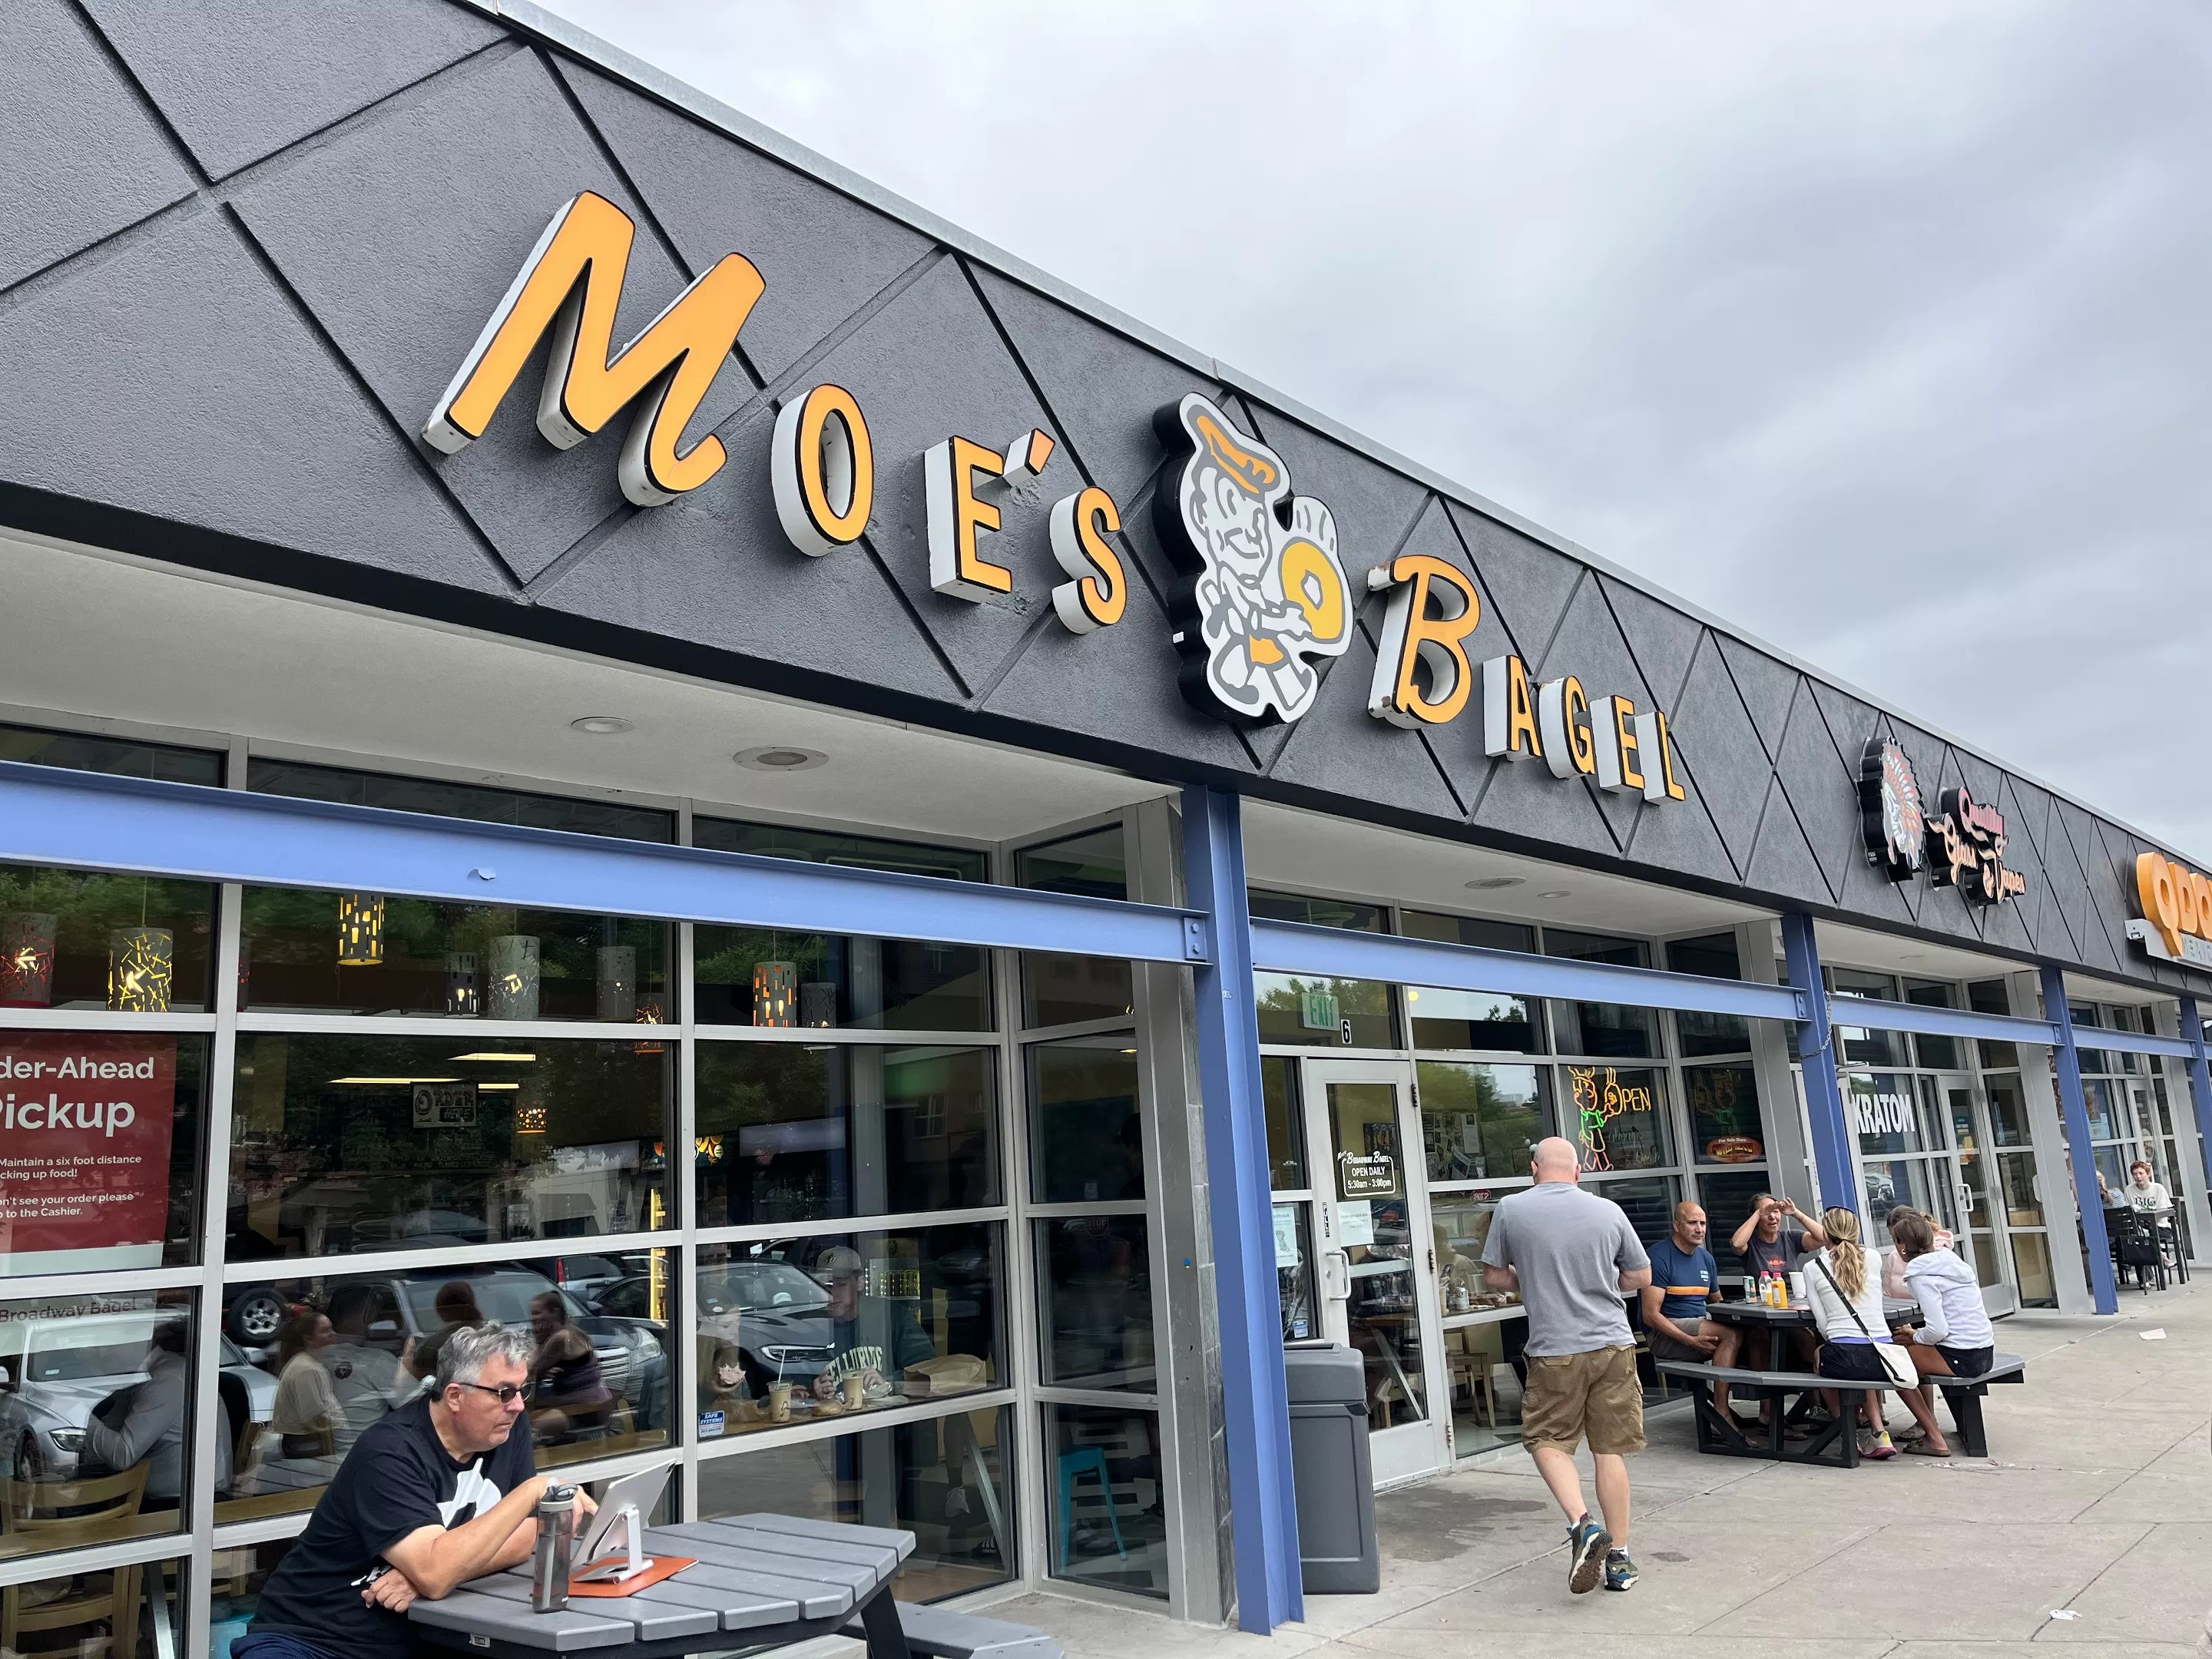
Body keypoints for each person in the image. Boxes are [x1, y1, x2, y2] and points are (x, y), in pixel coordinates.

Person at [233, 1321, 594, 1659]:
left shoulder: (504, 1430)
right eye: (503, 1393)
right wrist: (532, 1492)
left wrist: (429, 1574)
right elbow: (442, 1572)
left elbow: (525, 1537)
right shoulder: (390, 1452)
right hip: (313, 1637)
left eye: (522, 1390)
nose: (517, 1405)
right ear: (454, 1395)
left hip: (417, 1636)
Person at [1481, 1137, 1651, 1596]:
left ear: (1534, 1168)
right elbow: (1640, 1276)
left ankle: (1584, 1525)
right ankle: (1620, 1559)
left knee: (1546, 1439)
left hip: (1555, 1347)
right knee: (1608, 1449)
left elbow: (1494, 1276)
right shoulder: (1608, 1211)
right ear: (1578, 1171)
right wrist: (1597, 1280)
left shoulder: (1511, 1209)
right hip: (1614, 1344)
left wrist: (1530, 1276)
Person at [1885, 1207, 1995, 1456]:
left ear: (1902, 1246)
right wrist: (1916, 1337)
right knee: (1907, 1354)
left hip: (1962, 1356)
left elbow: (1937, 1329)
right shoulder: (1951, 1261)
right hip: (1984, 1350)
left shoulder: (1920, 1274)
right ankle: (1930, 1427)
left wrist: (1914, 1335)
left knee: (1894, 1364)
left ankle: (1933, 1436)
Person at [83, 1316, 218, 1508]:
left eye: (108, 1345)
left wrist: (81, 1416)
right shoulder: (151, 1373)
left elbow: (121, 1456)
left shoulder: (165, 1380)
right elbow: (113, 1428)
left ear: (138, 1344)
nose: (101, 1353)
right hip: (173, 1493)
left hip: (180, 1504)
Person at [1800, 1207, 1898, 1460]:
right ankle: (1879, 1433)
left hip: (1846, 1354)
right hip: (1884, 1355)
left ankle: (1847, 1431)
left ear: (1826, 1234)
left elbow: (1823, 1324)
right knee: (1861, 1364)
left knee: (1821, 1355)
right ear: (1856, 1231)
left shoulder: (1814, 1267)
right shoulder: (1874, 1257)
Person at [1641, 1201, 1743, 1416]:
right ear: (1676, 1226)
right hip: (1666, 1334)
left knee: (1756, 1337)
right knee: (1730, 1336)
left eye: (1703, 1223)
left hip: (1699, 1324)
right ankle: (1722, 1412)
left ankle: (1768, 1416)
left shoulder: (1706, 1258)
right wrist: (1691, 1341)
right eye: (1692, 1223)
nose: (1699, 1229)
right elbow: (1650, 1315)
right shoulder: (1658, 1257)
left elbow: (1717, 1303)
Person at [812, 1245, 935, 1402]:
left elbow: (927, 1370)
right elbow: (790, 1384)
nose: (832, 1293)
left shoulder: (891, 1316)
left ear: (860, 1283)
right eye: (825, 1286)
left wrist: (889, 1383)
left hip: (884, 1422)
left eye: (841, 1284)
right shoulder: (812, 1325)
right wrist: (813, 1390)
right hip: (833, 1423)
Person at [323, 1284, 409, 1451]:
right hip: (368, 1457)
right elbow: (418, 1408)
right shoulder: (375, 1360)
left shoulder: (310, 1357)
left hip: (315, 1462)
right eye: (377, 1316)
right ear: (367, 1315)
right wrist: (412, 1365)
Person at [528, 1290, 613, 1442]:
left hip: (584, 1410)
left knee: (529, 1427)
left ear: (554, 1312)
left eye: (537, 1313)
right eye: (532, 1314)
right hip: (594, 1402)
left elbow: (531, 1371)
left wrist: (538, 1341)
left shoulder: (562, 1338)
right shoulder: (573, 1330)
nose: (533, 1318)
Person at [272, 1311, 344, 1459]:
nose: (333, 1334)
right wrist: (345, 1430)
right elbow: (314, 1418)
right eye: (325, 1331)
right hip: (308, 1445)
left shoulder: (310, 1364)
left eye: (331, 1328)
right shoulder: (307, 1369)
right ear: (309, 1340)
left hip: (310, 1443)